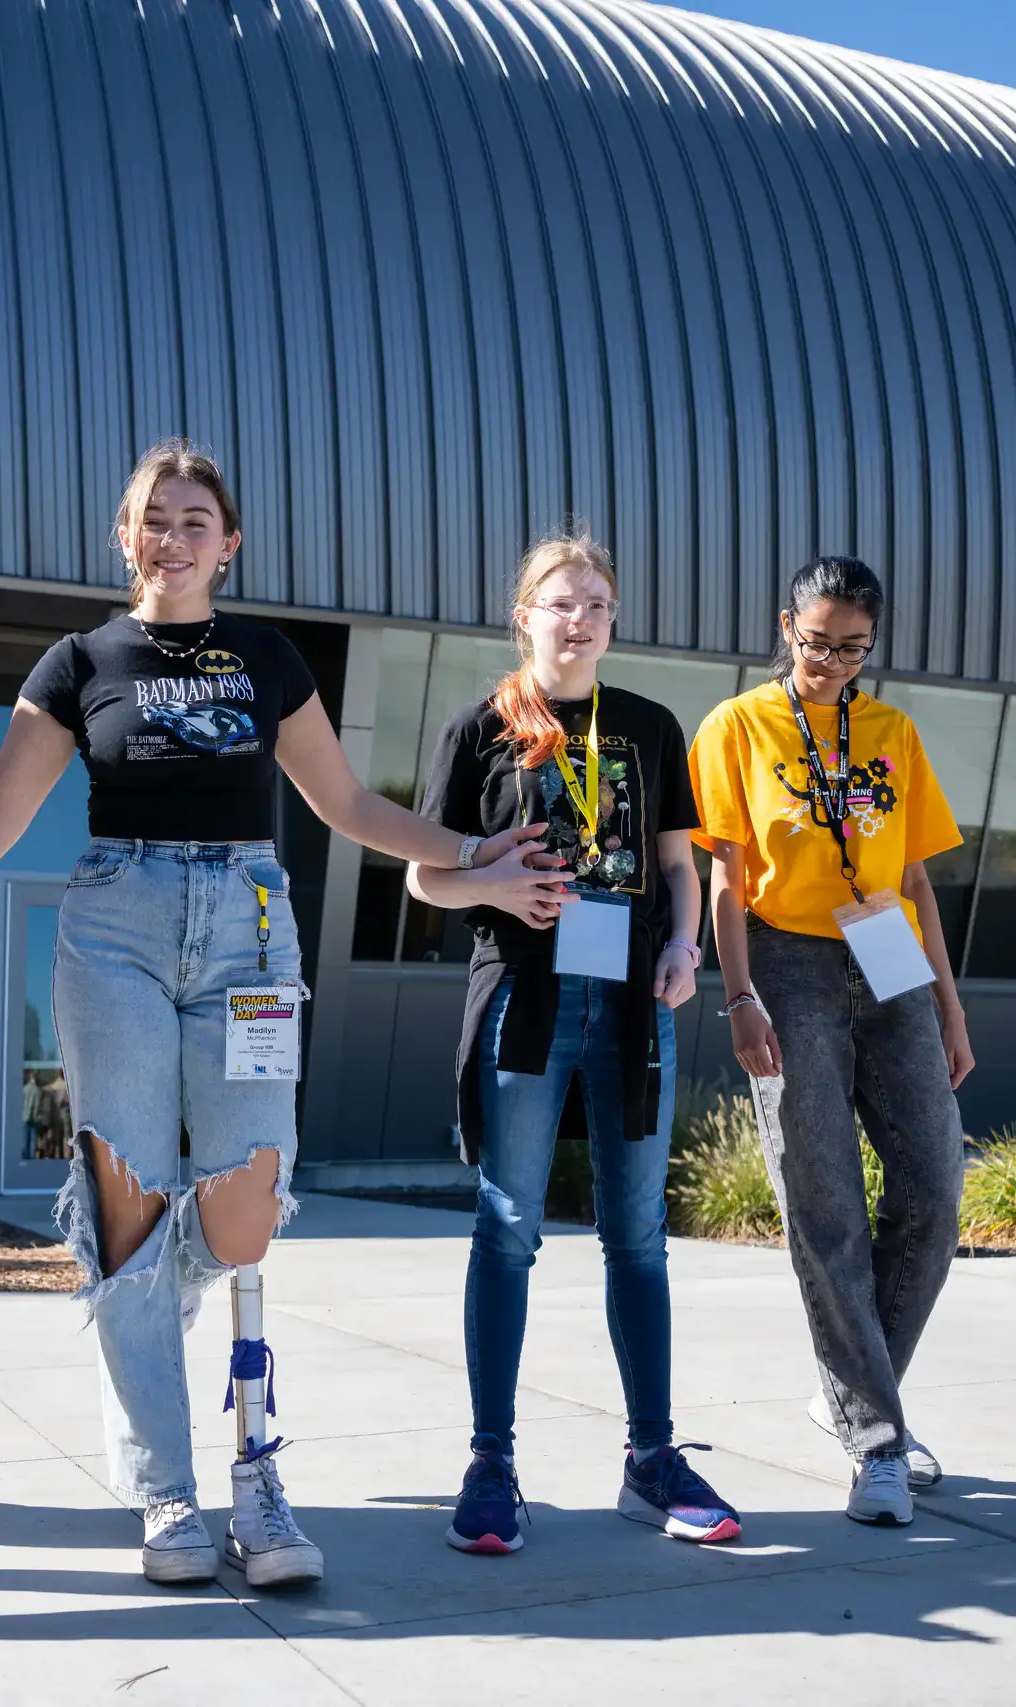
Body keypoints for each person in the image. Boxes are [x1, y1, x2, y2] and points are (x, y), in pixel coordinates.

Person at [0, 439, 564, 1589]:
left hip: (249, 918)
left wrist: (474, 857)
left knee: (246, 1204)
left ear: (229, 543)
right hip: (116, 924)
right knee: (132, 1200)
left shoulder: (266, 656)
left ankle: (143, 1301)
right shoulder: (78, 661)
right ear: (126, 535)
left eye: (198, 519)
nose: (176, 534)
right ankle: (188, 1486)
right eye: (157, 517)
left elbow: (344, 804)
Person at [408, 527, 742, 1557]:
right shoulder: (482, 728)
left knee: (637, 1238)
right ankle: (492, 1464)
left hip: (635, 1001)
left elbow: (680, 868)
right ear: (525, 616)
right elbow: (425, 876)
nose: (583, 616)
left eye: (598, 602)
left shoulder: (647, 725)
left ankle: (651, 1460)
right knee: (507, 1227)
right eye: (564, 601)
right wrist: (495, 883)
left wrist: (688, 948)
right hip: (525, 1001)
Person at [690, 556, 971, 1528]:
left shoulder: (892, 731)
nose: (832, 665)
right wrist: (737, 997)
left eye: (853, 649)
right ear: (786, 627)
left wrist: (949, 1006)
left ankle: (857, 1399)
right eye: (817, 645)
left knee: (937, 1189)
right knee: (827, 1207)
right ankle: (877, 1442)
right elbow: (727, 875)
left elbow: (922, 880)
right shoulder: (736, 726)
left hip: (891, 959)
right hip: (788, 962)